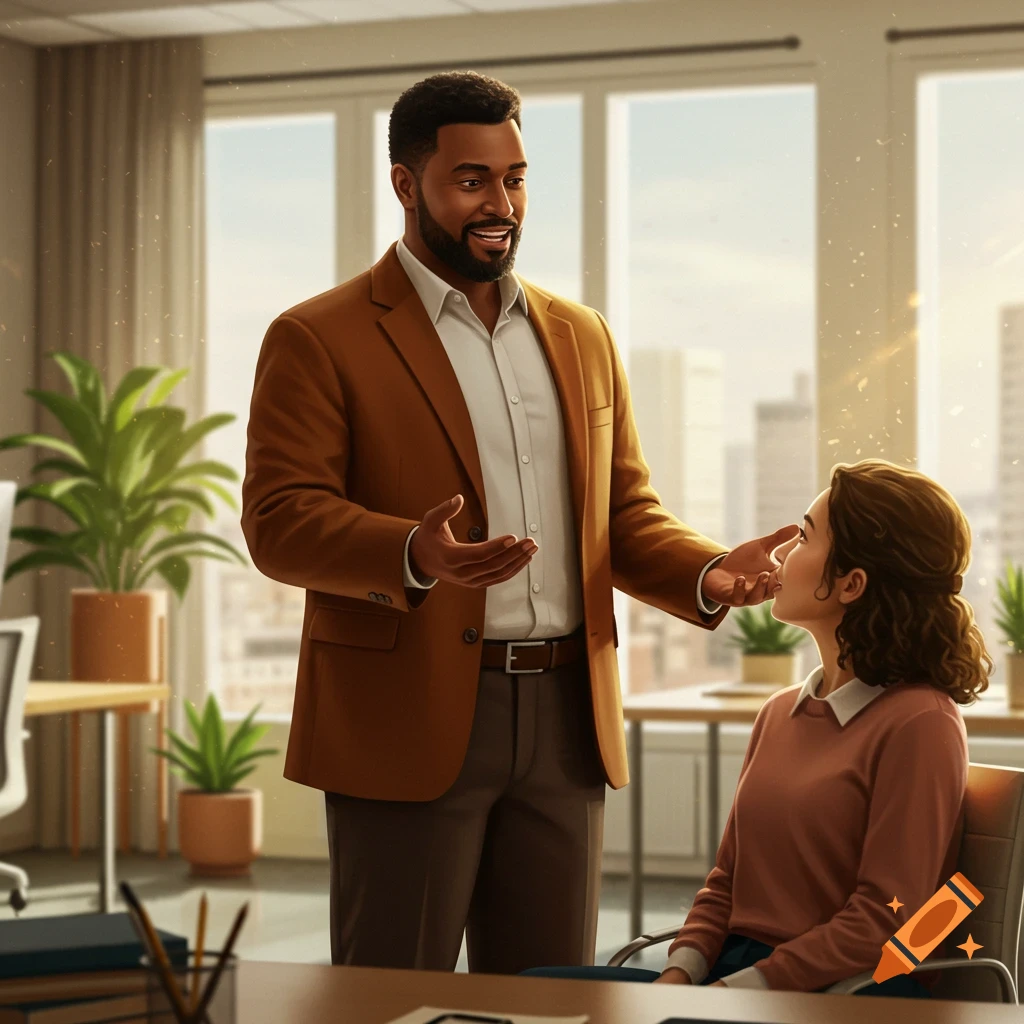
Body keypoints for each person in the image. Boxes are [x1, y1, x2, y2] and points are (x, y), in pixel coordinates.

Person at [240, 70, 793, 975]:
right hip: (407, 715)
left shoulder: (582, 335)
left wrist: (708, 573)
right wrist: (412, 553)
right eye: (472, 181)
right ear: (407, 185)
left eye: (517, 179)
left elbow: (621, 514)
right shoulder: (319, 336)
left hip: (568, 720)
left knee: (555, 993)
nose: (501, 204)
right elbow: (279, 521)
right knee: (390, 989)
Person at [525, 458, 990, 995]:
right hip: (739, 976)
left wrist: (741, 990)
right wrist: (680, 975)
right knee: (531, 992)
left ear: (851, 583)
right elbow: (724, 884)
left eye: (804, 539)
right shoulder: (780, 712)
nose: (782, 555)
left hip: (838, 991)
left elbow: (884, 922)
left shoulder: (920, 723)